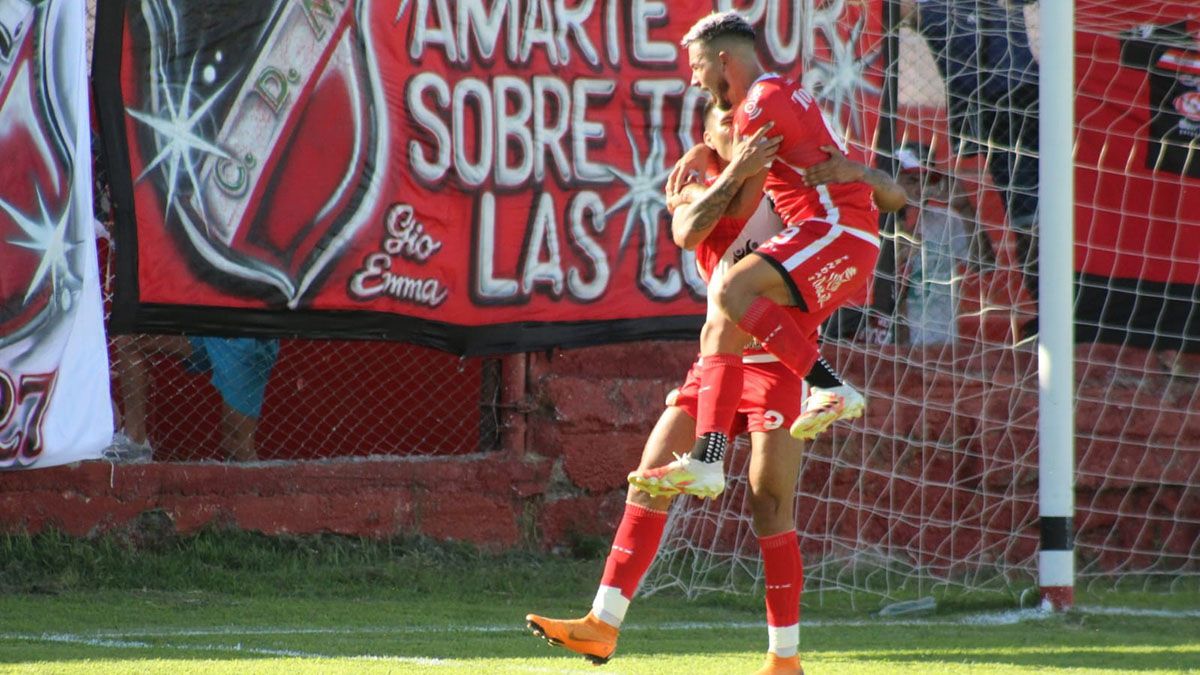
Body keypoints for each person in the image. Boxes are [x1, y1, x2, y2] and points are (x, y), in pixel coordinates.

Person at [527, 97, 905, 675]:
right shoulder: (699, 184)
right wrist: (726, 168)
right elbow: (685, 231)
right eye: (728, 122)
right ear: (710, 138)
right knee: (650, 476)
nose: (744, 125)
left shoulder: (797, 179)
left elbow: (893, 197)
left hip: (780, 362)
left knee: (769, 503)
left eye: (746, 119)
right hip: (718, 362)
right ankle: (601, 625)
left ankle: (784, 659)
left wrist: (859, 171)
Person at [627, 12, 888, 501]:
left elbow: (739, 204)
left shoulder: (757, 107)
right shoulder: (779, 92)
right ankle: (707, 460)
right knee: (722, 323)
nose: (695, 80)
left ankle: (829, 386)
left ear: (723, 60)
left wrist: (698, 184)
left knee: (731, 290)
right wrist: (706, 153)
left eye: (698, 67)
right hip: (843, 240)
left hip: (834, 232)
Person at [108, 335, 280, 462]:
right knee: (132, 340)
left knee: (235, 445)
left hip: (243, 335)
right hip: (202, 323)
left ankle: (263, 497)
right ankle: (134, 441)